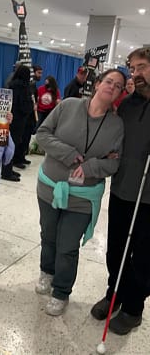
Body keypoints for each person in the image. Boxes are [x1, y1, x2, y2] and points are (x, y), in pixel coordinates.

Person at [33, 69, 124, 316]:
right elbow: (42, 134)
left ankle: (61, 292)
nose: (112, 87)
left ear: (119, 94)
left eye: (118, 86)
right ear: (97, 84)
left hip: (83, 197)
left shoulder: (116, 125)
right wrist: (68, 153)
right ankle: (46, 271)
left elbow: (114, 163)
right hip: (50, 187)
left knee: (68, 246)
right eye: (109, 81)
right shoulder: (68, 106)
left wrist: (90, 165)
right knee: (48, 235)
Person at [91, 47, 150, 335]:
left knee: (144, 256)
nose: (134, 74)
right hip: (123, 191)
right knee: (116, 248)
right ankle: (114, 293)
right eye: (132, 68)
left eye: (140, 67)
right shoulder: (127, 105)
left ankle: (133, 308)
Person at [7, 65, 36, 171]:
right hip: (19, 119)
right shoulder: (22, 87)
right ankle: (9, 168)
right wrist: (30, 107)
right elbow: (23, 104)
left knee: (13, 142)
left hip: (14, 118)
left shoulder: (12, 85)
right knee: (15, 142)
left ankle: (10, 166)